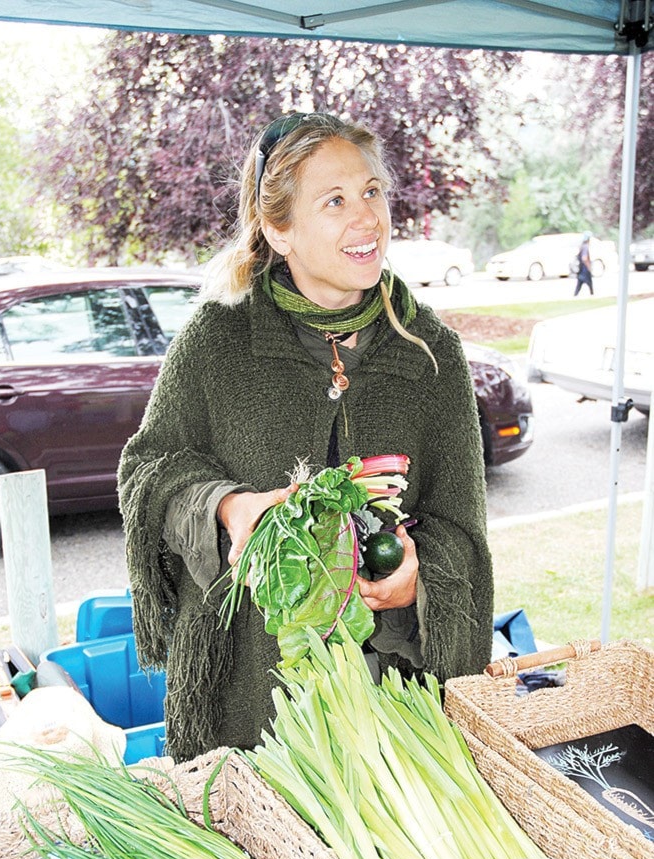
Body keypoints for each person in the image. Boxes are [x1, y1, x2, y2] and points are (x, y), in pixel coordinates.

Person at [118, 112, 493, 762]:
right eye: (335, 200)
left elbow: (460, 528)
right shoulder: (217, 342)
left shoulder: (431, 355)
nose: (367, 217)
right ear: (277, 229)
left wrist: (416, 577)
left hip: (391, 716)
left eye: (372, 191)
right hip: (245, 707)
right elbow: (148, 472)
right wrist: (229, 509)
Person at [574, 232, 594, 296]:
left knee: (579, 285)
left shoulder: (581, 246)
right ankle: (592, 295)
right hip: (585, 270)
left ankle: (575, 295)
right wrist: (589, 267)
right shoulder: (586, 247)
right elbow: (584, 258)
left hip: (581, 269)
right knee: (589, 284)